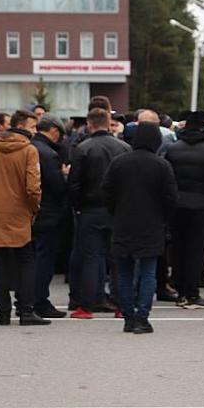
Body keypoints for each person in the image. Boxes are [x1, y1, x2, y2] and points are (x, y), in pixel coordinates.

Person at [0, 110, 48, 326]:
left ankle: (3, 312)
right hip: (19, 214)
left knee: (0, 263)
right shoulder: (29, 151)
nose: (35, 131)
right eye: (33, 127)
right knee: (26, 261)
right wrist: (34, 209)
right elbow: (33, 187)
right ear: (23, 126)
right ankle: (25, 310)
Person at [102, 122, 177, 333]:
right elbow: (171, 198)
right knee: (148, 272)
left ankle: (128, 316)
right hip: (152, 224)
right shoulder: (161, 165)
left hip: (123, 222)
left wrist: (116, 210)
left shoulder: (119, 163)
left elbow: (106, 191)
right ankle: (142, 316)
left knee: (124, 272)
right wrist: (164, 218)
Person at [67, 107, 131, 319]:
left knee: (91, 258)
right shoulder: (123, 148)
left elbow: (74, 183)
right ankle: (122, 306)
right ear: (108, 122)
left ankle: (86, 306)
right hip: (118, 210)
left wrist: (76, 205)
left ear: (89, 124)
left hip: (89, 209)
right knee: (118, 260)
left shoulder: (83, 148)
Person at [164, 111, 204, 309]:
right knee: (197, 250)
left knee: (178, 248)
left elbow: (168, 177)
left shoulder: (173, 149)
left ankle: (179, 290)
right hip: (202, 204)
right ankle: (192, 292)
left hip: (177, 204)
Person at [30, 114, 70, 318]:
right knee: (45, 258)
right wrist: (65, 176)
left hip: (31, 211)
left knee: (32, 257)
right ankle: (39, 300)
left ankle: (29, 299)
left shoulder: (30, 147)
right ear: (53, 130)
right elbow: (58, 187)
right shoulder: (48, 154)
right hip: (49, 212)